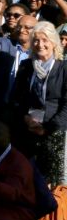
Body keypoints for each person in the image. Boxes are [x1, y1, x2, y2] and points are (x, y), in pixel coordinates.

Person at [11, 21, 67, 186]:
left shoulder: (63, 68)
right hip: (28, 130)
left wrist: (47, 128)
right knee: (26, 179)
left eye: (45, 40)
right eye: (35, 40)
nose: (40, 44)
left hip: (55, 133)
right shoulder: (26, 66)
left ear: (53, 43)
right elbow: (17, 99)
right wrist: (25, 118)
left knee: (52, 183)